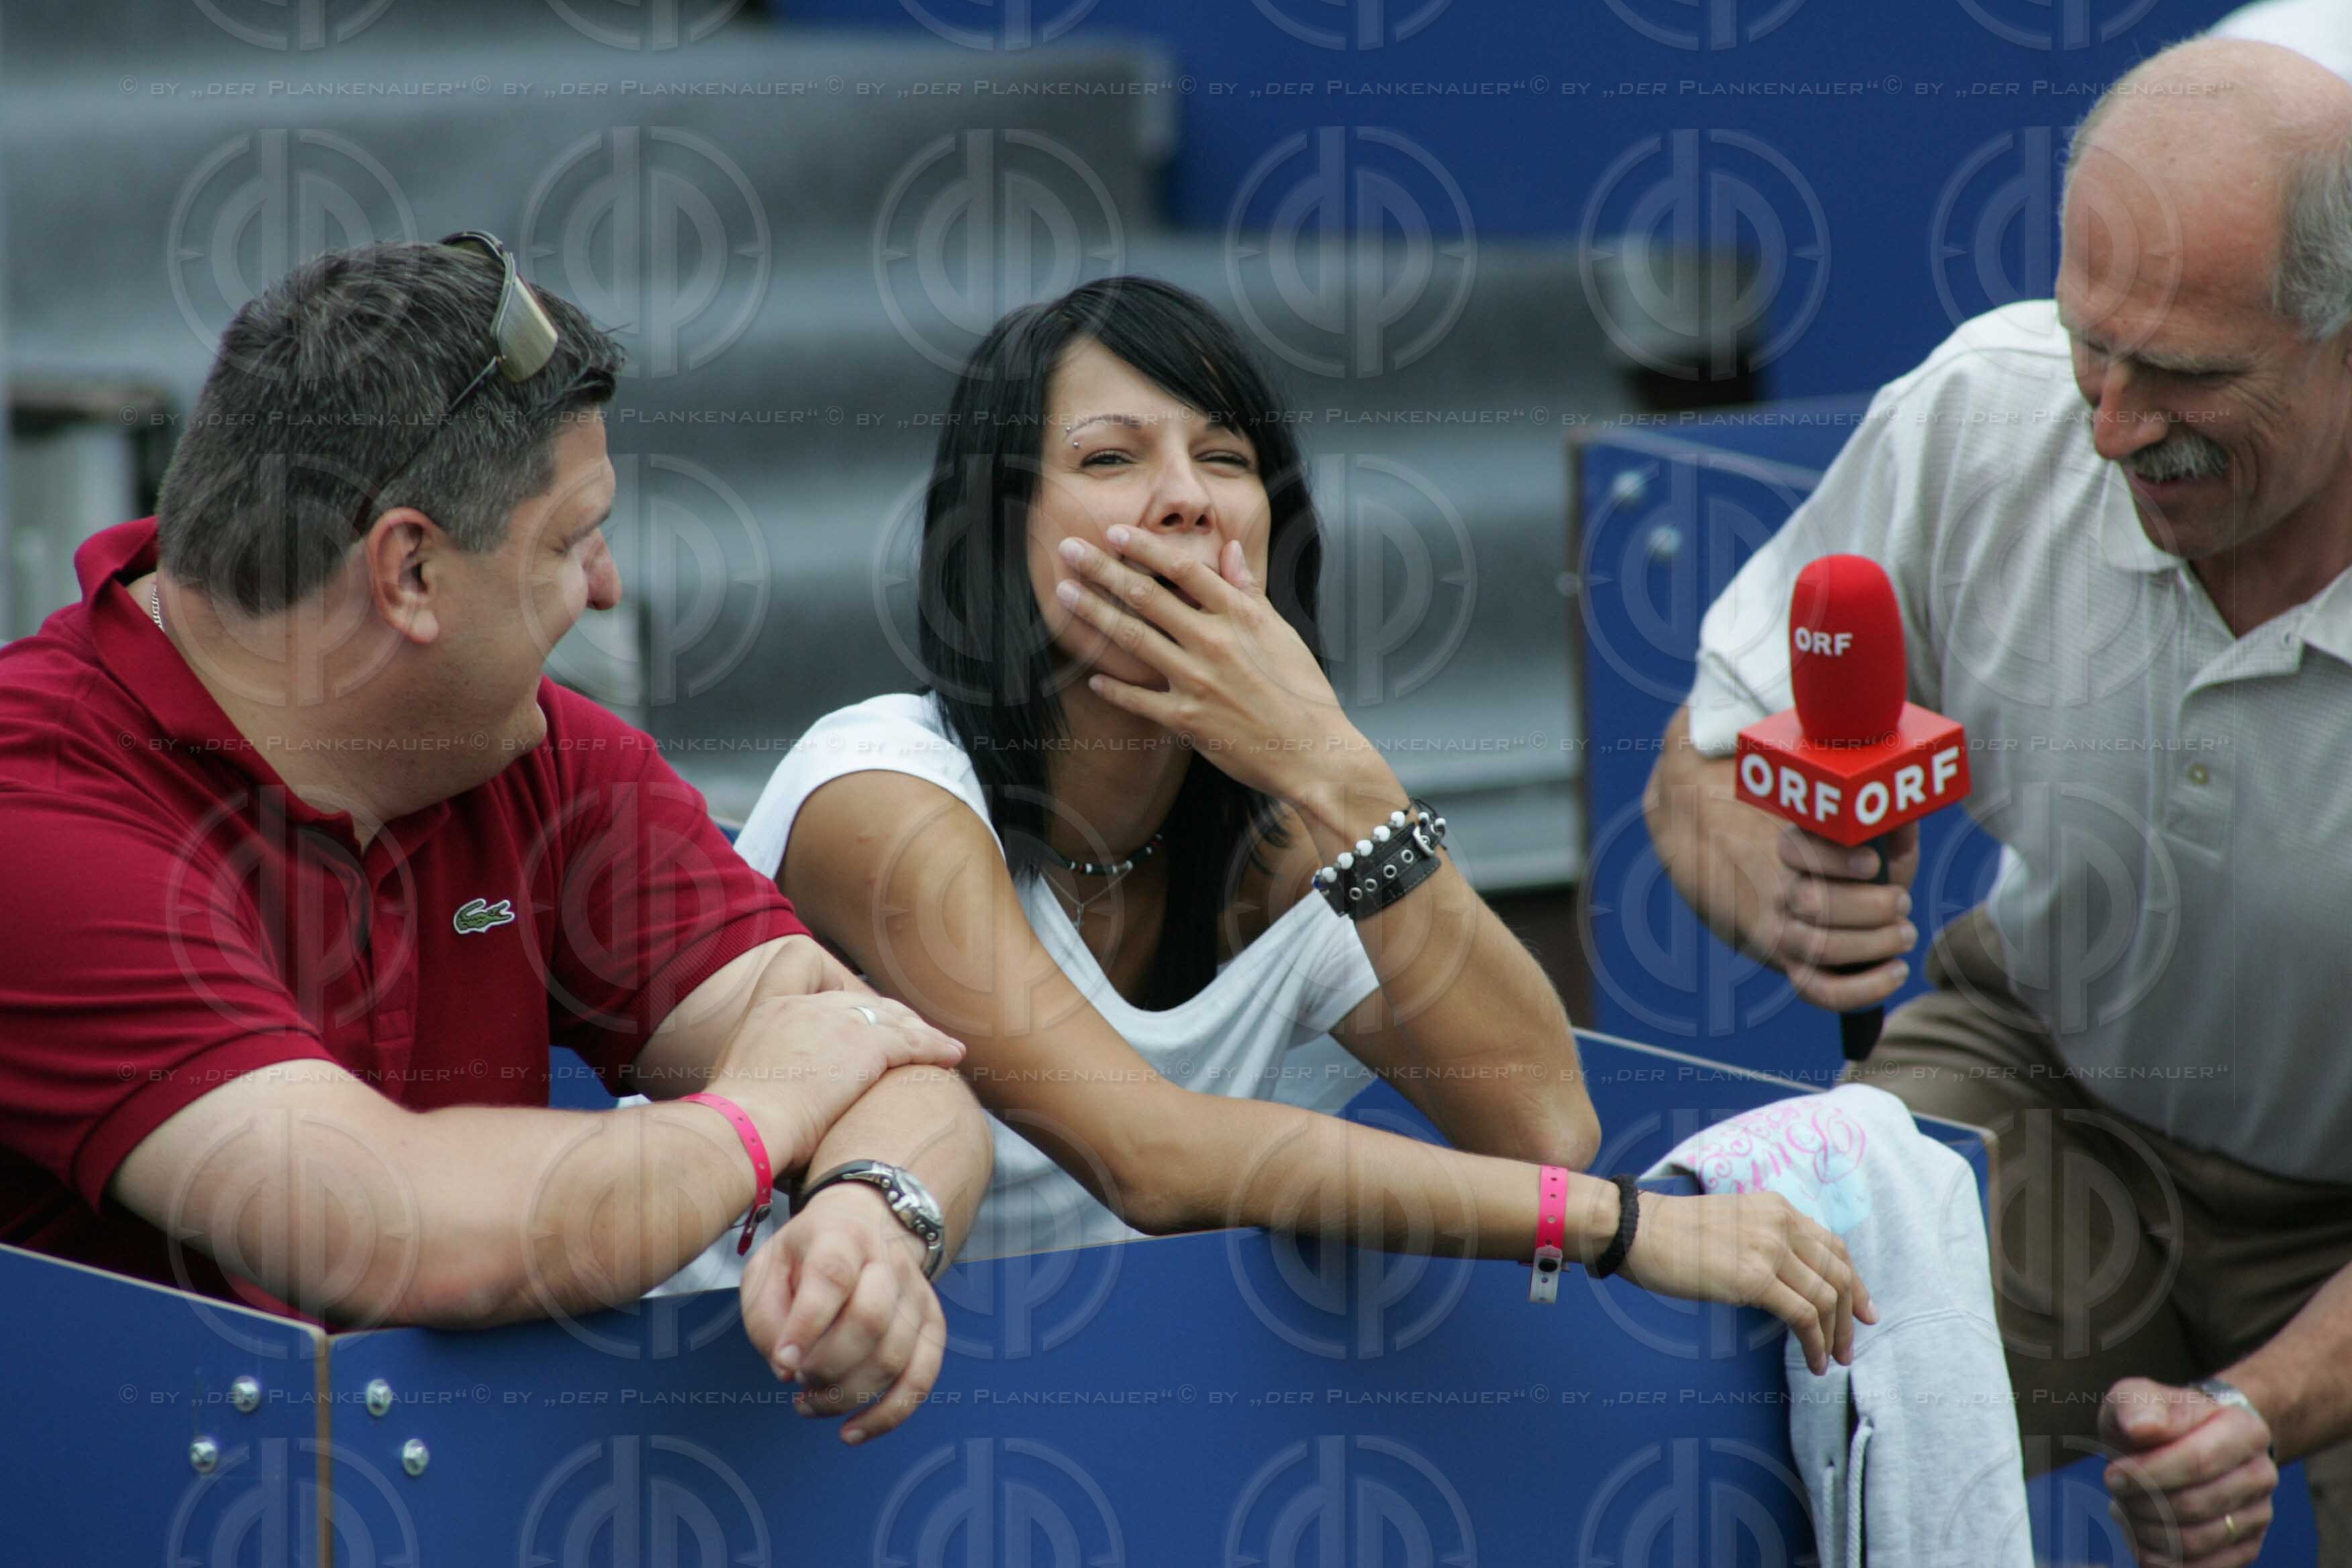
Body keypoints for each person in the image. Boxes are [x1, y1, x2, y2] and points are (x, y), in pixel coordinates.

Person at [686, 274, 1881, 1373]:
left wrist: (1342, 774)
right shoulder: (880, 792)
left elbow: (1544, 1124)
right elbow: (1146, 1160)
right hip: (760, 1395)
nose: (1187, 500)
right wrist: (1616, 1229)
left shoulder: (1295, 842)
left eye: (1226, 458)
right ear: (999, 534)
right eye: (1110, 459)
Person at [0, 237, 993, 1448]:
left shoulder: (528, 752)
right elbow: (387, 1231)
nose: (611, 587)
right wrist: (765, 1116)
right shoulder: (34, 806)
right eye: (575, 540)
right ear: (410, 570)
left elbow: (889, 1059)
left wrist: (871, 1213)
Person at [1646, 40, 2352, 1565]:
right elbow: (1703, 755)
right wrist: (1770, 875)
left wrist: (2260, 1406)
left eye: (2185, 374)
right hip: (2051, 1079)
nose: (2108, 424)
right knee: (1754, 1367)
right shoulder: (1991, 405)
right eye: (2094, 343)